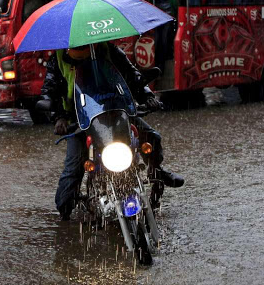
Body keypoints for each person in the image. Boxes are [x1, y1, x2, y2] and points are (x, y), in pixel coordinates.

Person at [41, 42, 184, 220]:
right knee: (73, 168)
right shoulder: (57, 59)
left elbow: (133, 76)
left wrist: (147, 96)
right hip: (80, 121)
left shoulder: (110, 50)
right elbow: (49, 91)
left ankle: (157, 172)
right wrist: (58, 117)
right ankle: (65, 213)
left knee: (152, 138)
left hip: (117, 113)